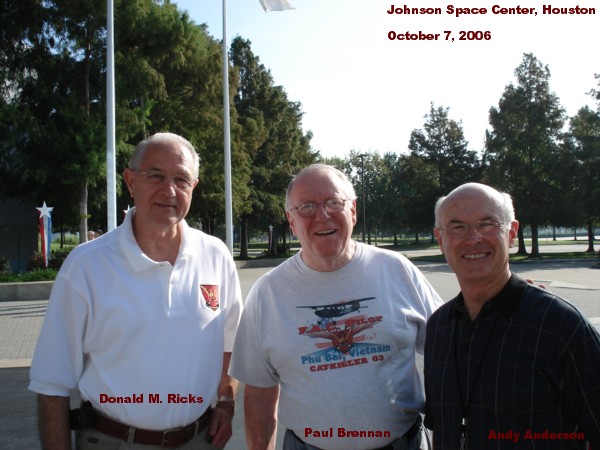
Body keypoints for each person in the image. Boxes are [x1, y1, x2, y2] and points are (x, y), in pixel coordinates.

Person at [29, 132, 243, 449]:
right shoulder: (87, 265)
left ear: (193, 188)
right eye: (155, 175)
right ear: (131, 181)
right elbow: (52, 383)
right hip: (114, 441)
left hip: (198, 440)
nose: (169, 190)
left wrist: (226, 401)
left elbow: (232, 345)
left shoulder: (215, 256)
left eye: (181, 179)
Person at [230, 164, 444, 450]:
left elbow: (447, 349)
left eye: (334, 202)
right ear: (291, 221)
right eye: (306, 207)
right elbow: (258, 393)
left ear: (353, 210)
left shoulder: (398, 270)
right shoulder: (267, 293)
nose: (322, 215)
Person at [424, 182, 600, 449]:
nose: (473, 238)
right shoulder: (438, 328)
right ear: (440, 239)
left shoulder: (560, 326)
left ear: (512, 232)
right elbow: (442, 426)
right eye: (457, 226)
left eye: (487, 224)